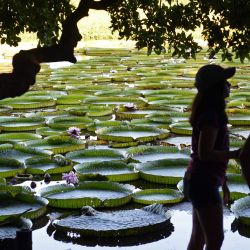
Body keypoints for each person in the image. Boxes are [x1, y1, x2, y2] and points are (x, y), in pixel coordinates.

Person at [184, 64, 241, 250]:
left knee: (198, 238)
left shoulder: (207, 111)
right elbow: (205, 154)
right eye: (225, 82)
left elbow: (207, 156)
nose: (229, 85)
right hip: (204, 183)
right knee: (215, 241)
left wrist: (223, 183)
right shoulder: (211, 116)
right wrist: (237, 154)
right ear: (216, 88)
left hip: (197, 179)